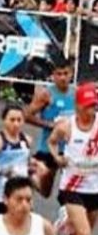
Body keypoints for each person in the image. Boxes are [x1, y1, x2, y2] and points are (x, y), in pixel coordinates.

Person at [45, 83, 98, 235]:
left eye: (95, 105)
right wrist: (57, 157)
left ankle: (67, 221)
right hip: (71, 186)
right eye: (88, 106)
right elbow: (51, 142)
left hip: (94, 186)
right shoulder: (67, 127)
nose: (92, 110)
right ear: (78, 106)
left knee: (87, 229)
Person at [24, 63, 74, 198]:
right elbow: (26, 116)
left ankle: (68, 212)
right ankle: (27, 175)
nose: (63, 78)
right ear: (53, 76)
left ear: (71, 74)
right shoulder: (46, 94)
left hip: (70, 149)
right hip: (48, 148)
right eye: (59, 74)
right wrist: (50, 125)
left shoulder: (75, 93)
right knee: (45, 191)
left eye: (66, 73)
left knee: (71, 191)